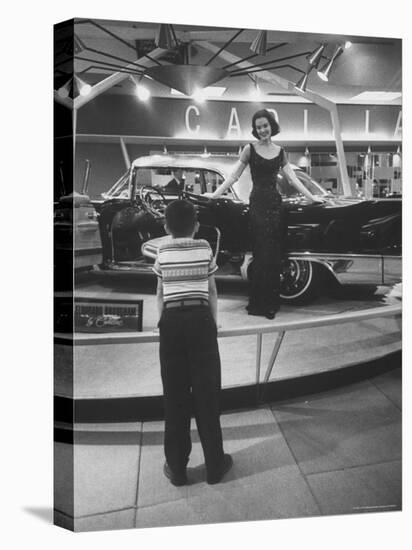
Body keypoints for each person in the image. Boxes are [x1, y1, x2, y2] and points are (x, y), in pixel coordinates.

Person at [206, 109, 324, 319]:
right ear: (255, 129)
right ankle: (258, 303)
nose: (262, 130)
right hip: (258, 205)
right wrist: (214, 194)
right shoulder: (249, 149)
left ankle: (271, 303)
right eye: (259, 127)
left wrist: (312, 197)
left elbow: (292, 179)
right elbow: (233, 176)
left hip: (275, 206)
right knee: (260, 255)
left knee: (273, 256)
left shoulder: (281, 151)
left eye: (265, 126)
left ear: (272, 126)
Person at [153, 199, 233, 486]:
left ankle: (176, 468)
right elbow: (211, 290)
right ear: (196, 226)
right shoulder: (204, 248)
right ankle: (214, 465)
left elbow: (160, 293)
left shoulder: (161, 251)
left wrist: (162, 323)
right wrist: (212, 322)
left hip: (172, 323)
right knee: (207, 393)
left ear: (166, 227)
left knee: (174, 397)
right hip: (200, 320)